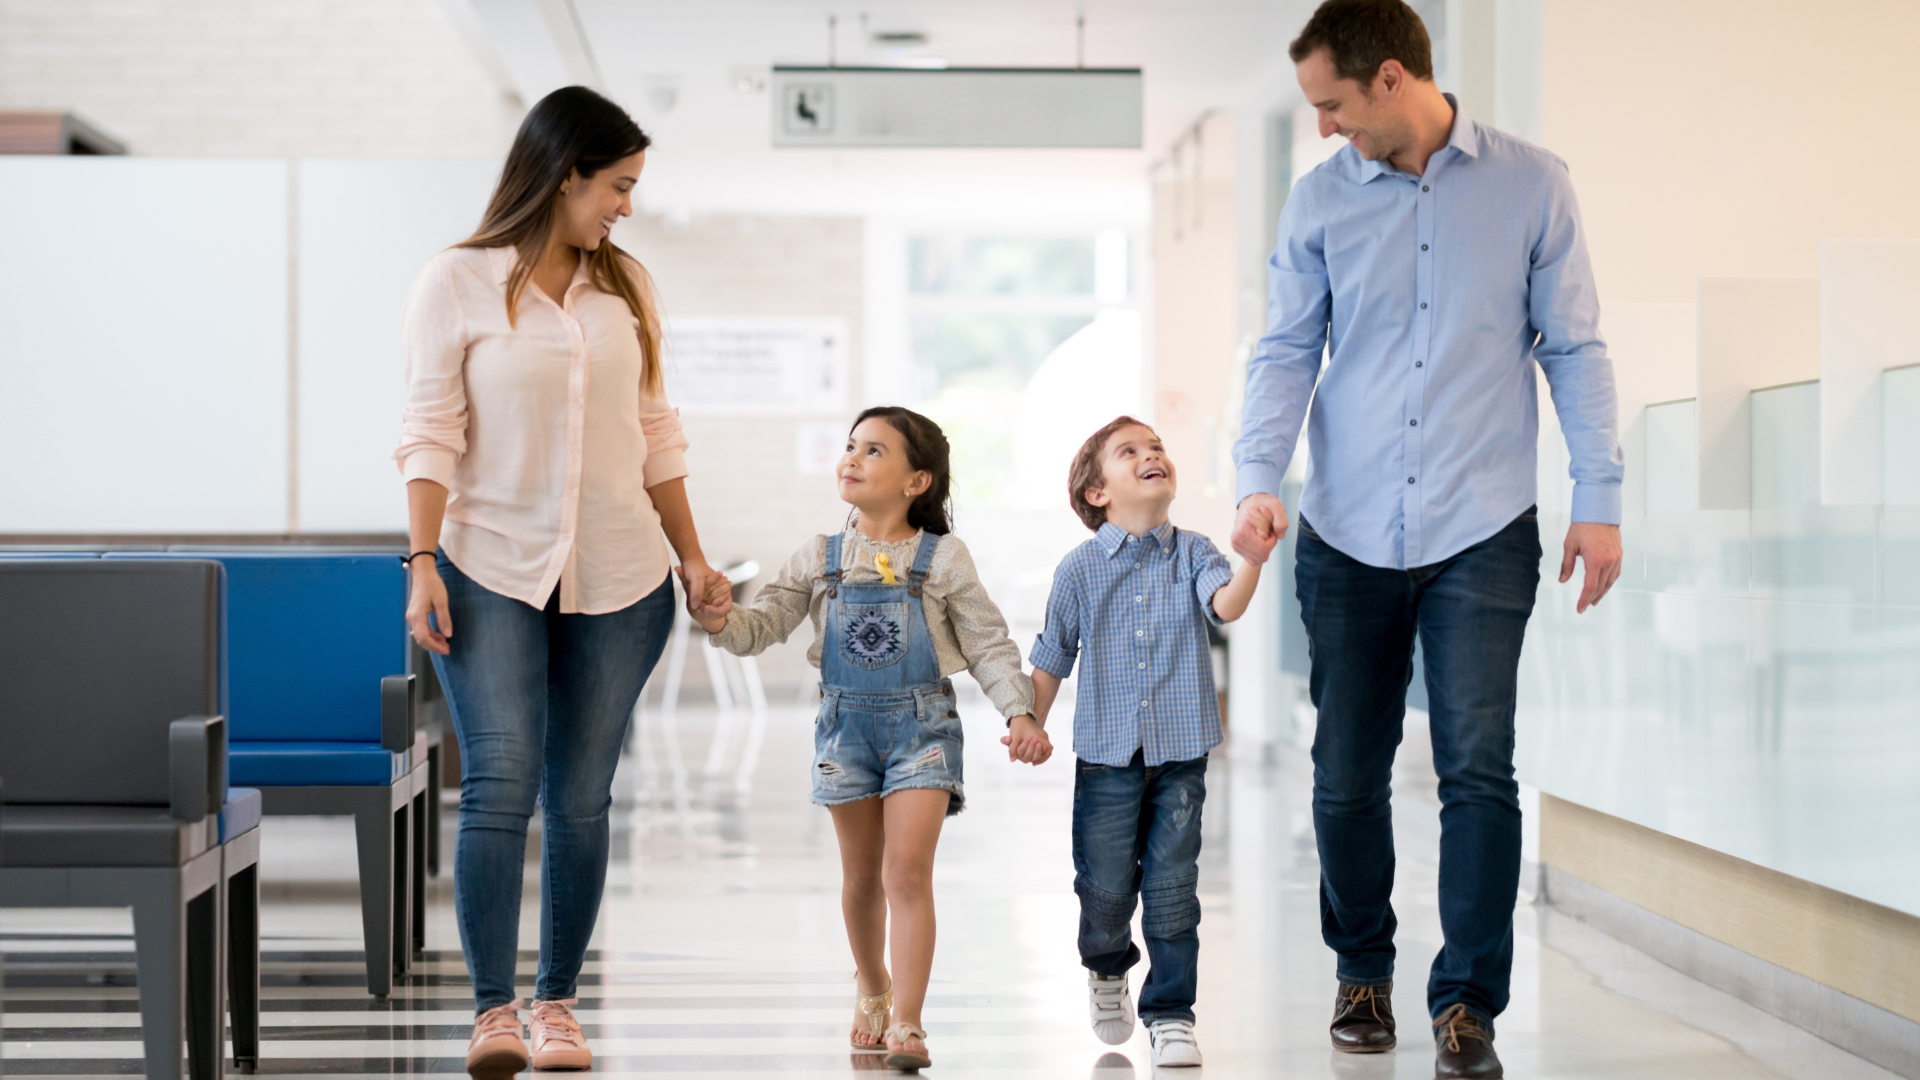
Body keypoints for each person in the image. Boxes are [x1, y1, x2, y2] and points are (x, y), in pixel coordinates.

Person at [1229, 2, 1625, 1076]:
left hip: (1482, 525)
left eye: (1333, 107)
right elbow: (1282, 351)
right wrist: (1256, 480)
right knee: (1346, 772)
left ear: (1392, 79)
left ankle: (1469, 1008)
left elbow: (1576, 350)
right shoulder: (1317, 202)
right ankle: (1363, 969)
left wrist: (1601, 494)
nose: (1323, 130)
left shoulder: (1533, 185)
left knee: (1476, 769)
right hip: (1346, 526)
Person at [395, 86, 727, 1080]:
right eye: (616, 186)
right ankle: (494, 1009)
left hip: (623, 573)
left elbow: (655, 433)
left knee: (581, 794)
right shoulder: (457, 281)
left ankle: (558, 1006)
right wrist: (420, 561)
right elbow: (429, 431)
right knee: (500, 782)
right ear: (564, 172)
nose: (625, 206)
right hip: (487, 562)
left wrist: (695, 557)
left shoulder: (626, 288)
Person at [685, 406, 1040, 1073]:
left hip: (922, 732)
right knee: (860, 879)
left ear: (917, 482)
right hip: (843, 730)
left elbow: (988, 642)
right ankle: (872, 986)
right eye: (851, 446)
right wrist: (718, 618)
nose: (852, 458)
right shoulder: (817, 557)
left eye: (874, 450)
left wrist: (1018, 711)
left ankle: (908, 1016)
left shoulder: (943, 559)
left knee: (906, 872)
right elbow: (760, 629)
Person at [1019, 416, 1261, 1070]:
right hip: (1106, 759)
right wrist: (1028, 720)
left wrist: (1253, 560)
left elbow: (1227, 605)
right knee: (1103, 888)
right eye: (1131, 452)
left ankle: (1172, 1012)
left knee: (1175, 889)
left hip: (1181, 755)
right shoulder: (1077, 571)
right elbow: (1051, 655)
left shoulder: (1195, 552)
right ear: (1098, 492)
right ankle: (1105, 966)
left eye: (1157, 447)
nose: (1153, 454)